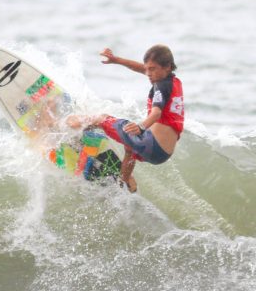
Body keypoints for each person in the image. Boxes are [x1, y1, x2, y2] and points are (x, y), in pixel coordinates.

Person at [66, 45, 184, 193]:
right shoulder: (174, 81)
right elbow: (141, 68)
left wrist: (141, 127)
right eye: (148, 68)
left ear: (167, 67)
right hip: (162, 154)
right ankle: (125, 183)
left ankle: (67, 125)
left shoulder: (160, 86)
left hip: (150, 143)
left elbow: (156, 113)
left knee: (102, 118)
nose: (148, 73)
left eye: (152, 69)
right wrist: (116, 60)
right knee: (130, 148)